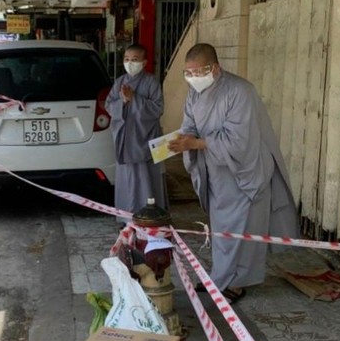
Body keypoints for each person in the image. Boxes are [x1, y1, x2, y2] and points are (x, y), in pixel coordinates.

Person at [169, 43, 298, 303]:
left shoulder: (241, 92)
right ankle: (221, 277)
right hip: (217, 173)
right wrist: (182, 140)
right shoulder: (195, 93)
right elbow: (189, 124)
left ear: (215, 68)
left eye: (198, 72)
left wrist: (195, 144)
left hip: (245, 172)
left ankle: (238, 283)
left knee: (243, 229)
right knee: (221, 230)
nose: (193, 78)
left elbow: (239, 141)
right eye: (188, 73)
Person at [105, 43, 167, 222]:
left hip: (145, 139)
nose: (130, 63)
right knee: (126, 179)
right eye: (126, 59)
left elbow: (158, 108)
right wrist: (123, 103)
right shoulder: (120, 82)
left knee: (147, 179)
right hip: (125, 139)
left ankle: (151, 217)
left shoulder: (151, 82)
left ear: (144, 62)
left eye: (134, 60)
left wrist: (134, 99)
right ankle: (126, 218)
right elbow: (109, 105)